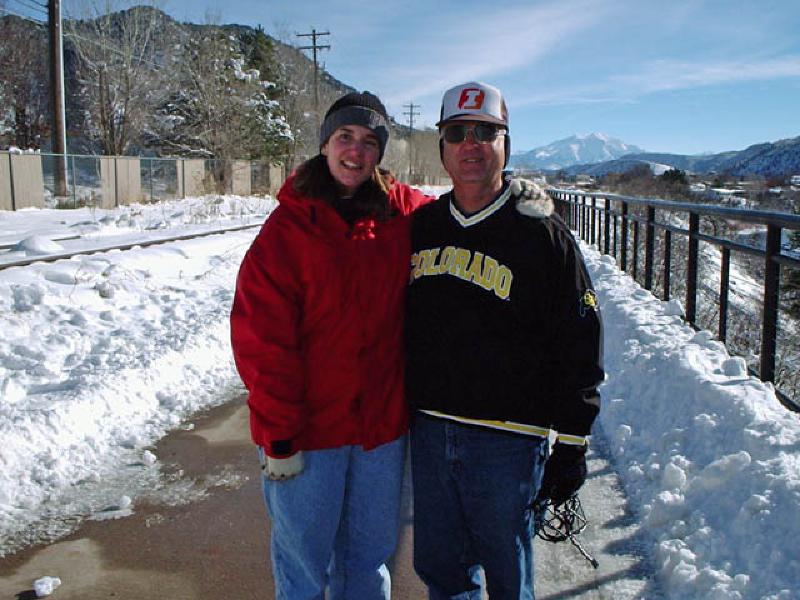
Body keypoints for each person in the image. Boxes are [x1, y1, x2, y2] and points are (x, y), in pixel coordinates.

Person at [405, 81, 604, 599]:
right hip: (429, 431)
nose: (470, 145)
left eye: (485, 132)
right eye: (457, 133)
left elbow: (579, 336)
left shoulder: (542, 233)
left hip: (508, 439)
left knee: (508, 579)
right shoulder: (421, 227)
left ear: (505, 144)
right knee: (441, 572)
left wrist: (573, 439)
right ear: (442, 147)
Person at [229, 91, 431, 599]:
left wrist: (509, 198)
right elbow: (261, 342)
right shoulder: (287, 229)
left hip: (379, 433)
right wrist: (279, 436)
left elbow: (462, 215)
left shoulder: (400, 214)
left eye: (369, 142)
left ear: (379, 153)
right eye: (345, 137)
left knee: (367, 560)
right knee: (303, 565)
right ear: (324, 144)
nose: (356, 151)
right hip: (309, 435)